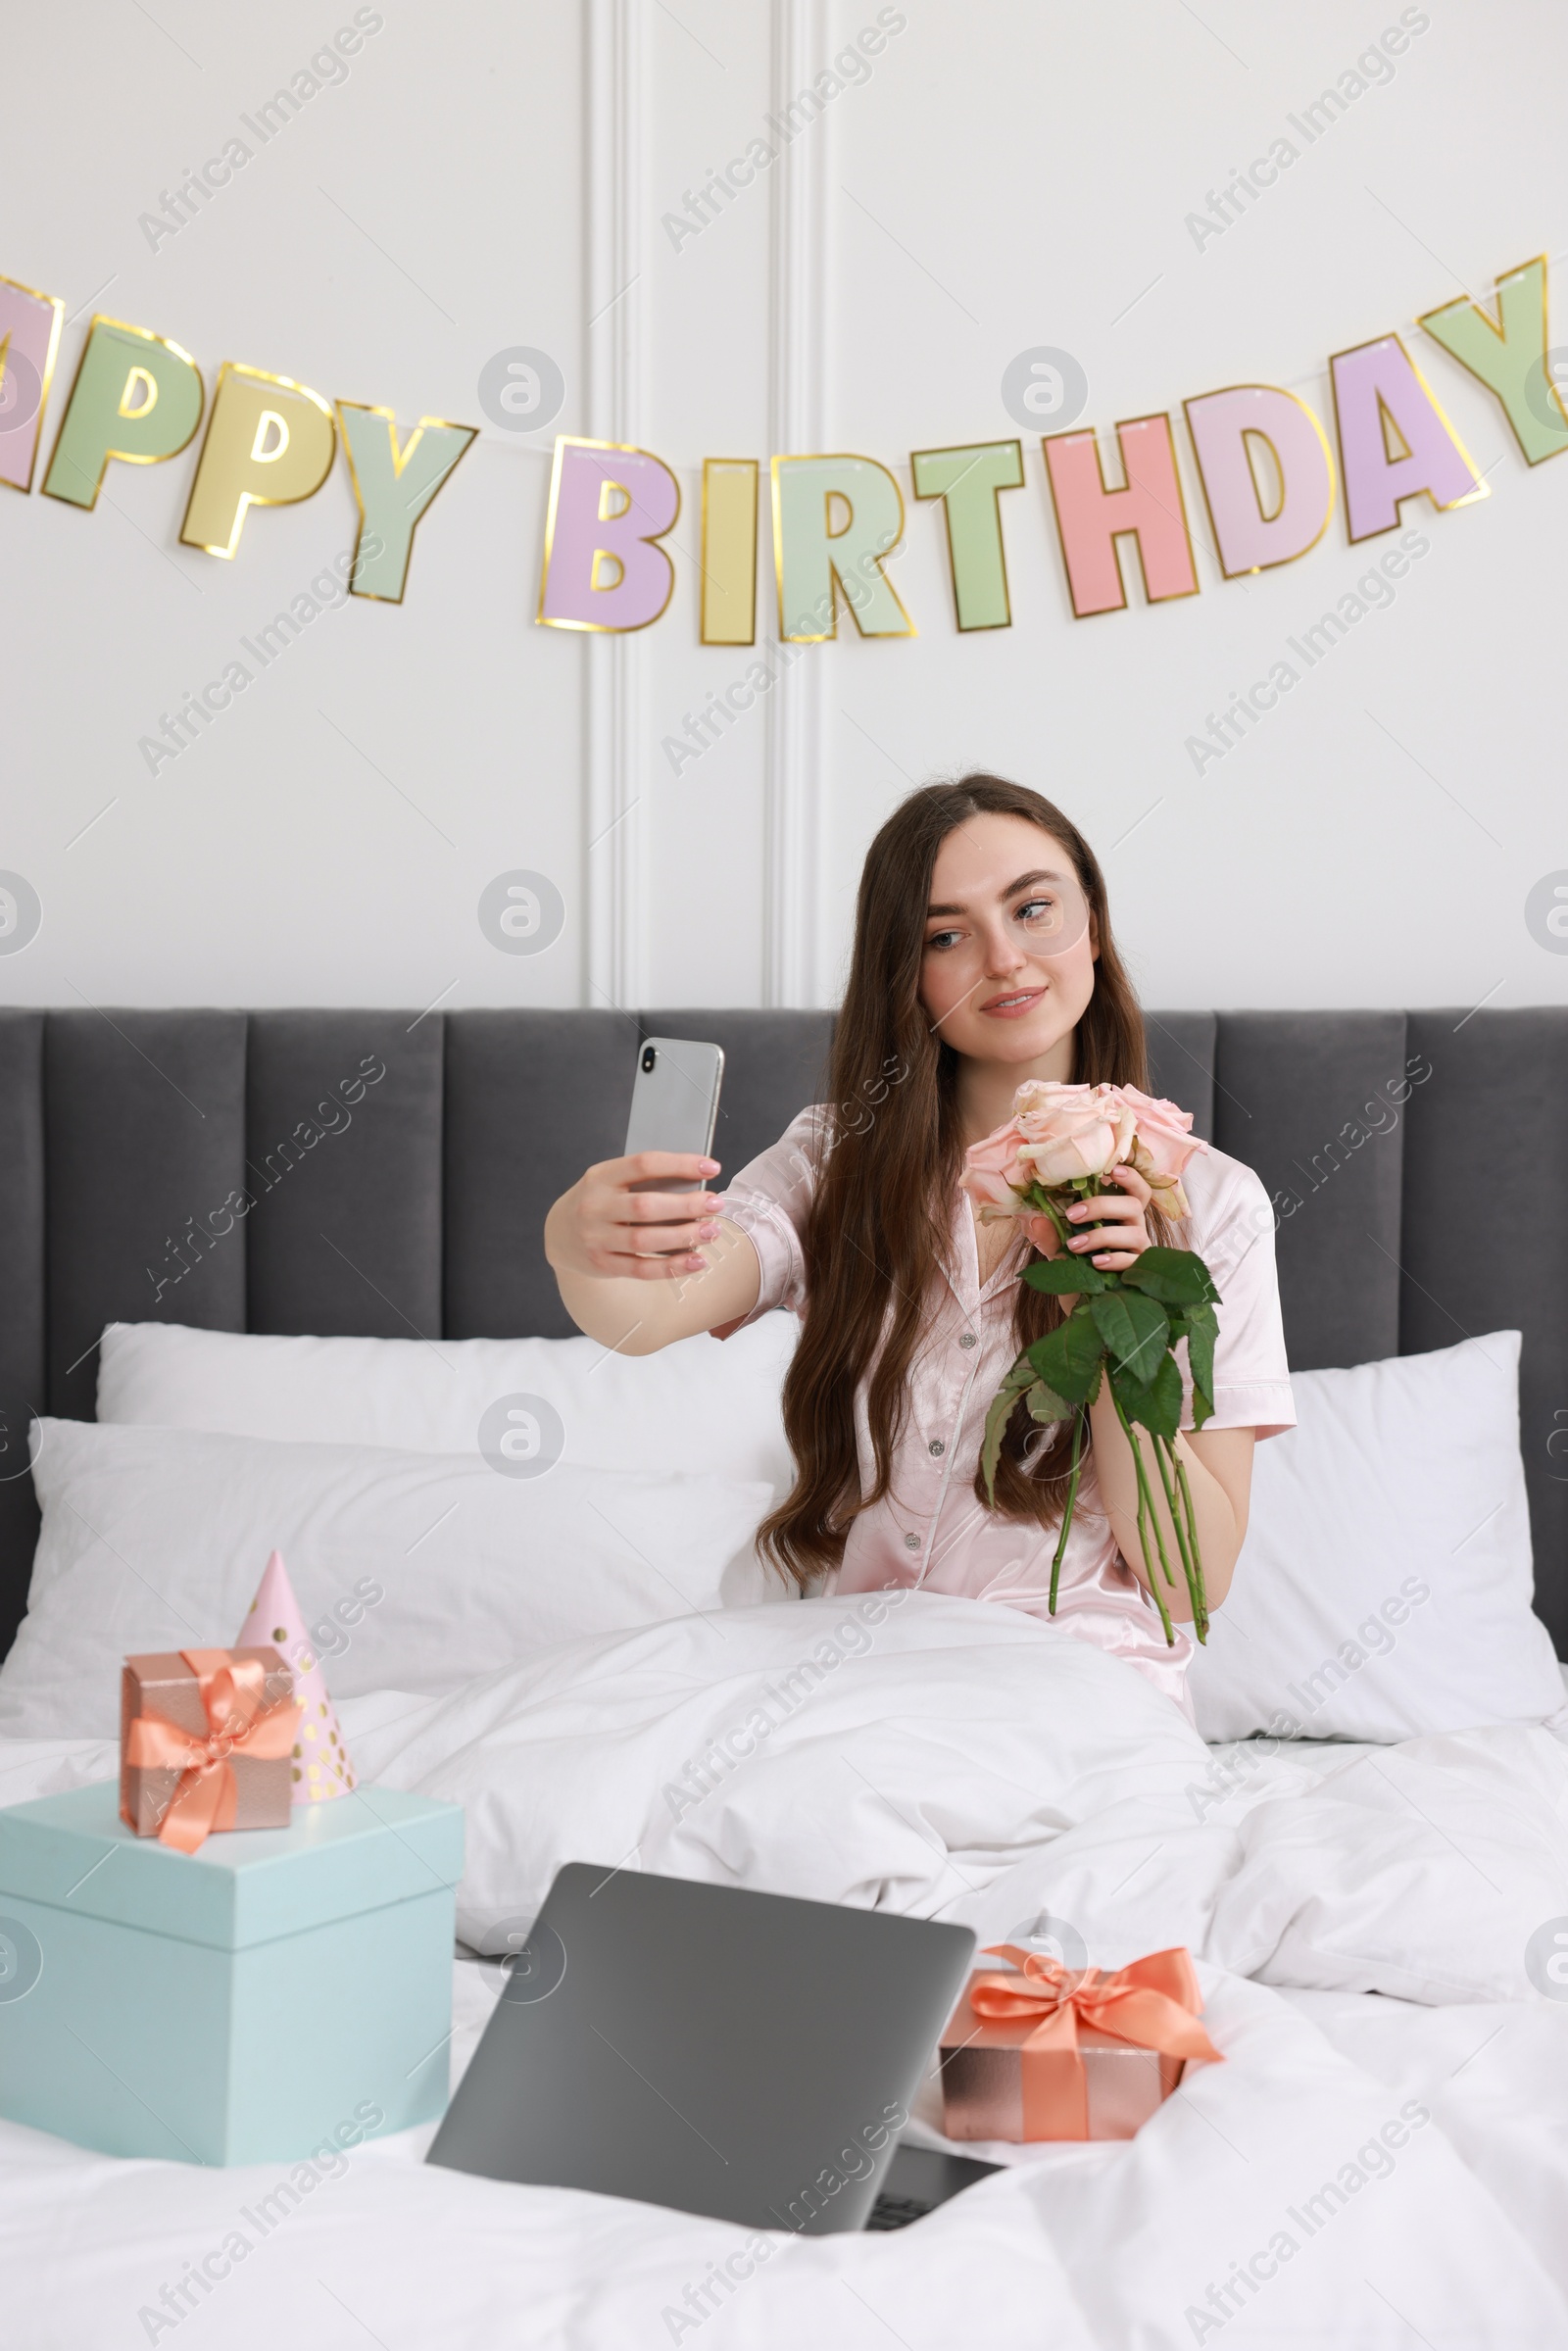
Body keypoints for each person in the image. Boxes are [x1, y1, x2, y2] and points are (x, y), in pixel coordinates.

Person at [545, 775, 1294, 1712]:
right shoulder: (835, 1162)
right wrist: (574, 1236)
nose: (1005, 959)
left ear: (1091, 927)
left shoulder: (1213, 1204)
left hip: (1076, 1688)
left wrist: (1116, 1315)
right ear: (907, 971)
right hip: (852, 1679)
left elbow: (1193, 1582)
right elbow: (646, 1316)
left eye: (1033, 910)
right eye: (948, 935)